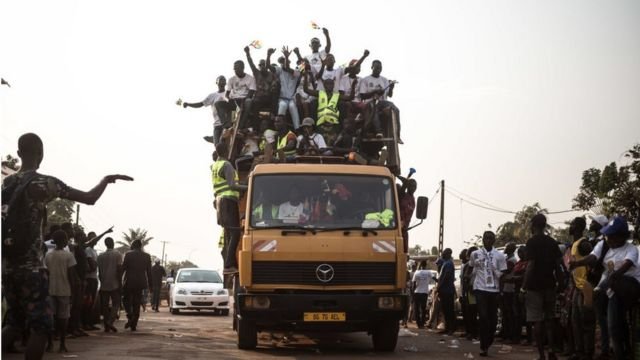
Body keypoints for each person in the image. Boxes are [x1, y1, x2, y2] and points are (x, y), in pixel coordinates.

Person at [1, 133, 132, 358]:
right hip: (32, 269)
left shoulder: (6, 183)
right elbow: (89, 198)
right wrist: (105, 180)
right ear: (41, 153)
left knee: (14, 320)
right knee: (41, 326)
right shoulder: (43, 183)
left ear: (20, 153)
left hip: (7, 267)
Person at [524, 214, 565, 360]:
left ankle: (541, 355)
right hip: (550, 285)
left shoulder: (532, 242)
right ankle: (552, 351)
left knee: (537, 321)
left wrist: (524, 286)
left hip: (534, 286)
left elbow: (531, 265)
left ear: (533, 225)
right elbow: (559, 264)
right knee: (549, 319)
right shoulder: (552, 242)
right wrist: (560, 283)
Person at [469, 231, 507, 356]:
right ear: (483, 240)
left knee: (493, 319)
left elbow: (503, 275)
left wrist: (501, 291)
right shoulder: (475, 254)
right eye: (486, 238)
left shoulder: (499, 256)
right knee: (483, 317)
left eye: (491, 238)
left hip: (494, 290)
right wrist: (470, 283)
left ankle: (489, 340)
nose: (488, 241)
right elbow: (471, 268)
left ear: (494, 240)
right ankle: (483, 346)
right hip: (480, 289)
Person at [212, 143, 247, 274]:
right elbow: (232, 186)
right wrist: (249, 187)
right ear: (227, 151)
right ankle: (229, 265)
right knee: (235, 233)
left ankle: (231, 264)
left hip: (220, 203)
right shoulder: (226, 165)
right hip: (228, 201)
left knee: (229, 234)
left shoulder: (215, 165)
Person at [44, 230, 78, 353]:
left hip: (50, 290)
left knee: (50, 318)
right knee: (63, 318)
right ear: (64, 241)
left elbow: (45, 273)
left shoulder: (48, 255)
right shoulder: (69, 256)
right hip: (65, 290)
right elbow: (71, 276)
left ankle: (49, 343)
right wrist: (73, 292)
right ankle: (62, 344)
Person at [566, 217, 596, 360]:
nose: (569, 226)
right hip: (577, 288)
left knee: (586, 322)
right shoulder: (574, 244)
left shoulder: (583, 244)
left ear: (578, 226)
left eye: (572, 224)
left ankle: (588, 352)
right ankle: (579, 352)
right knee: (575, 322)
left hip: (585, 288)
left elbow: (593, 260)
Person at [303, 75, 359, 146]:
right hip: (321, 121)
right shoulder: (320, 93)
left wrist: (353, 85)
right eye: (327, 84)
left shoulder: (337, 95)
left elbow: (350, 97)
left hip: (333, 122)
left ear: (333, 85)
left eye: (331, 84)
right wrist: (305, 77)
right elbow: (306, 90)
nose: (329, 85)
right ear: (324, 85)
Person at [358, 60, 401, 142]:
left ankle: (397, 135)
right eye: (376, 67)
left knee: (395, 109)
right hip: (370, 102)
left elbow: (389, 95)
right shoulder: (365, 80)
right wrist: (375, 92)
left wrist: (391, 87)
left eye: (380, 67)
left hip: (382, 102)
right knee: (374, 108)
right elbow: (362, 96)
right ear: (372, 67)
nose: (378, 69)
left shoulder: (384, 80)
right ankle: (379, 131)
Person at [82, 226, 113, 331]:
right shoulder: (87, 250)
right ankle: (85, 323)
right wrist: (105, 231)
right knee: (87, 302)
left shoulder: (93, 251)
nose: (95, 240)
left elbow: (95, 265)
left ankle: (89, 323)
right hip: (89, 279)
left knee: (92, 303)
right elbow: (93, 266)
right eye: (93, 238)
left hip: (94, 278)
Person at [182, 75, 228, 145]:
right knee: (217, 146)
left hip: (228, 124)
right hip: (217, 125)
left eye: (224, 80)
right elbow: (201, 104)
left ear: (226, 83)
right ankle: (214, 139)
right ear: (217, 82)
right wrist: (188, 104)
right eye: (220, 80)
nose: (222, 81)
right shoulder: (213, 95)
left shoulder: (229, 93)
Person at [214, 60, 256, 130]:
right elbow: (227, 94)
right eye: (234, 69)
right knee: (218, 104)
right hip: (234, 101)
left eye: (237, 68)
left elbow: (252, 92)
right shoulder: (231, 79)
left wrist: (244, 99)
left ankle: (241, 125)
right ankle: (226, 125)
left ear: (242, 68)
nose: (235, 70)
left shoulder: (250, 78)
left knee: (248, 102)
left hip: (244, 100)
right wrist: (228, 99)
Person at [122, 239, 152, 331]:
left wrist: (118, 280)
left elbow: (123, 268)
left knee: (125, 300)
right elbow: (149, 272)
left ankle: (130, 316)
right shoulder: (147, 256)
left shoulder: (128, 254)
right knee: (137, 302)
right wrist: (151, 285)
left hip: (129, 282)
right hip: (140, 282)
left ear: (133, 245)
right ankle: (134, 323)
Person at [244, 46, 278, 126]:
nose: (262, 66)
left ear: (266, 66)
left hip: (269, 97)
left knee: (275, 91)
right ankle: (255, 128)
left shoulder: (271, 74)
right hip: (258, 98)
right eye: (260, 65)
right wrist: (247, 53)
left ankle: (273, 116)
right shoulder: (257, 73)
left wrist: (273, 84)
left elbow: (276, 82)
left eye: (263, 64)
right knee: (255, 105)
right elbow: (251, 63)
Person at [269, 47, 301, 130]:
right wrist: (268, 55)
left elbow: (288, 67)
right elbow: (269, 66)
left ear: (289, 63)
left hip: (291, 99)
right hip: (282, 99)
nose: (283, 64)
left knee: (293, 108)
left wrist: (287, 57)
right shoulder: (280, 71)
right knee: (282, 105)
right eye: (281, 62)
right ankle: (279, 129)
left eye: (284, 62)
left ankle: (297, 130)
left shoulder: (296, 72)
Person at [97, 237, 122, 333]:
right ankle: (110, 322)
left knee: (105, 305)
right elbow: (119, 270)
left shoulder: (100, 256)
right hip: (114, 283)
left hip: (104, 283)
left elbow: (99, 271)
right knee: (116, 303)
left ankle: (107, 325)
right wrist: (120, 283)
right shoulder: (117, 254)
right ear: (113, 243)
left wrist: (102, 281)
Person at [436, 248, 456, 335]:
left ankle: (451, 328)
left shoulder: (449, 264)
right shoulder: (445, 263)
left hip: (447, 290)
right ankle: (447, 328)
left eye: (444, 253)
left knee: (449, 310)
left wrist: (439, 286)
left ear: (448, 254)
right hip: (444, 290)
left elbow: (446, 276)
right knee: (445, 310)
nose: (442, 254)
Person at [412, 260, 436, 329]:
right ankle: (422, 324)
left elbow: (413, 284)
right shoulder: (428, 272)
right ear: (426, 265)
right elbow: (434, 278)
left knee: (416, 309)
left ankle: (418, 324)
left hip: (417, 292)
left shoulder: (417, 272)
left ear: (420, 265)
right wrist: (439, 281)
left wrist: (413, 293)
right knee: (423, 309)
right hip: (424, 293)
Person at [397, 174, 416, 254]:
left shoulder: (413, 200)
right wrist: (403, 181)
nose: (413, 188)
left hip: (404, 230)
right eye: (411, 185)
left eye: (415, 186)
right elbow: (401, 192)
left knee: (404, 254)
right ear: (407, 187)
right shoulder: (403, 195)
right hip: (397, 228)